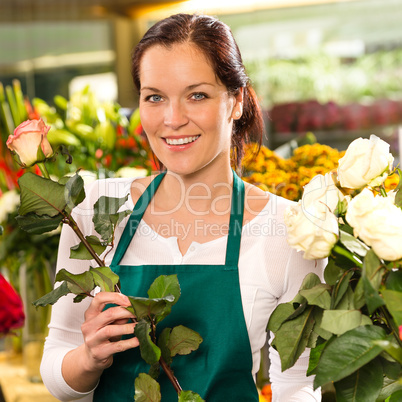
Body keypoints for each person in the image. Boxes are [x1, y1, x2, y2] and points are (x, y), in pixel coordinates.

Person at [40, 13, 325, 402]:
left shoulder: (289, 228)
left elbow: (299, 384)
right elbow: (57, 372)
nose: (172, 120)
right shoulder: (98, 211)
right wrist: (89, 357)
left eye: (197, 95)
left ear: (236, 101)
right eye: (154, 97)